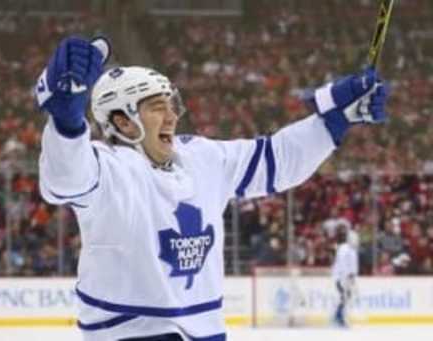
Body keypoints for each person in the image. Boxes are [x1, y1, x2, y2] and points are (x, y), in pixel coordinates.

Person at [34, 36, 389, 340]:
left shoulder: (201, 156)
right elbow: (65, 178)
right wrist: (66, 123)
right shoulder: (108, 167)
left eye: (172, 105)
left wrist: (336, 120)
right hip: (128, 330)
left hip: (204, 331)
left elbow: (277, 161)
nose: (173, 116)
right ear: (123, 122)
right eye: (158, 107)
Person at [331, 225, 359, 327]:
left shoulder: (352, 250)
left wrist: (352, 277)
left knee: (346, 297)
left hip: (347, 278)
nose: (356, 241)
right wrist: (347, 275)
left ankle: (338, 316)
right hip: (341, 278)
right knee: (345, 296)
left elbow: (353, 265)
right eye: (355, 239)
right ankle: (338, 317)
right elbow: (342, 263)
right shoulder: (344, 248)